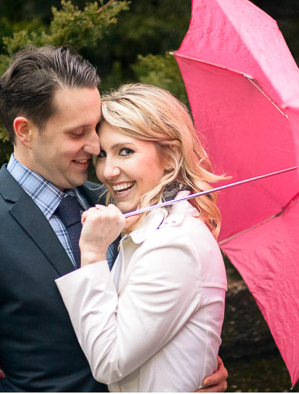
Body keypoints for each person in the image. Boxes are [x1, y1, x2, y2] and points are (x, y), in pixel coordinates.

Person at [0, 46, 227, 391]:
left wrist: (188, 364)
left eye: (95, 128)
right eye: (77, 133)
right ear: (25, 131)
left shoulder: (118, 204)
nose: (94, 144)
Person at [55, 83, 227, 391]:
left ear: (171, 157)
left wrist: (93, 254)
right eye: (102, 155)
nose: (108, 171)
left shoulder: (174, 244)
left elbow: (109, 361)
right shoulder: (147, 231)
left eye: (126, 151)